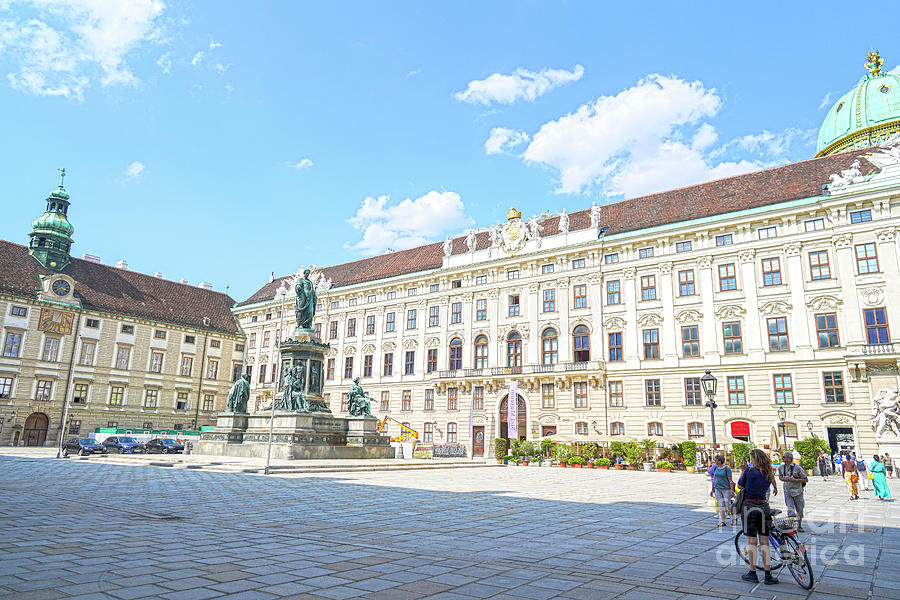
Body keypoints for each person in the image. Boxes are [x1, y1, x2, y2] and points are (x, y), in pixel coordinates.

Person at [737, 449, 779, 585]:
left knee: (752, 542)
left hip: (750, 507)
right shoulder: (768, 472)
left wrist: (742, 470)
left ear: (754, 459)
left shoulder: (749, 472)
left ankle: (753, 572)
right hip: (763, 507)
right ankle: (768, 574)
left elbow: (739, 486)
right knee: (765, 542)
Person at [777, 451, 808, 532]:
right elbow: (780, 477)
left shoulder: (797, 468)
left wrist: (795, 480)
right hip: (787, 491)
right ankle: (790, 525)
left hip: (797, 491)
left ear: (789, 459)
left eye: (784, 457)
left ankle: (799, 525)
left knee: (799, 508)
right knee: (790, 508)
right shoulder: (781, 468)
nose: (782, 458)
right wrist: (783, 479)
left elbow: (806, 479)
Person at [710, 454, 737, 526]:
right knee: (720, 504)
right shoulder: (716, 468)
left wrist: (732, 491)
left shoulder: (726, 469)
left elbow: (730, 480)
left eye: (715, 460)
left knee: (728, 504)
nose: (714, 461)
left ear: (719, 461)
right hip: (717, 488)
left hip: (726, 488)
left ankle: (734, 519)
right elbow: (714, 479)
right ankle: (722, 521)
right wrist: (712, 489)